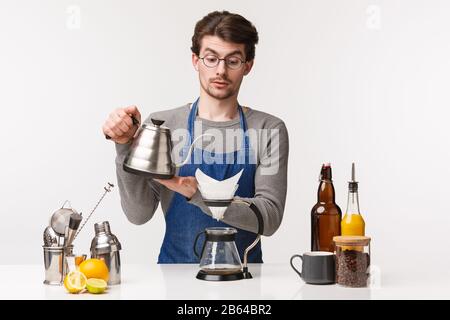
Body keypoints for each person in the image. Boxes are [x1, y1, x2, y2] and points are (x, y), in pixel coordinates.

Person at [102, 11, 289, 263]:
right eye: (211, 58)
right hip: (174, 276)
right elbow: (139, 214)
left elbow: (269, 218)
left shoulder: (268, 129)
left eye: (232, 61)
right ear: (195, 60)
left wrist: (195, 193)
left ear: (248, 66)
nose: (220, 70)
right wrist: (124, 145)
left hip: (245, 279)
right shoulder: (164, 125)